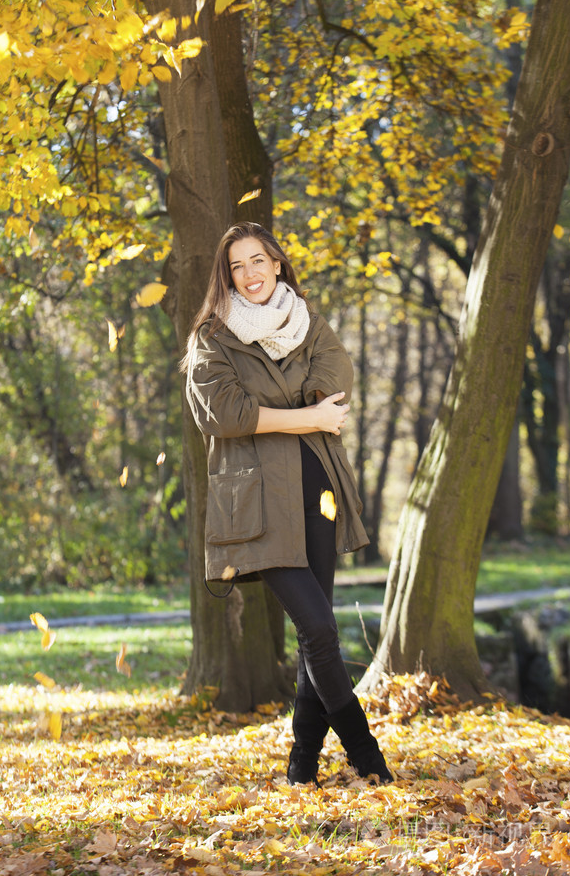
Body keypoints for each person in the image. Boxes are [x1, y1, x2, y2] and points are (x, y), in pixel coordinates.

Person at [183, 221, 392, 786]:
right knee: (321, 630)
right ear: (225, 278)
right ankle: (366, 755)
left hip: (317, 491)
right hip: (255, 504)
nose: (249, 274)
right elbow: (224, 415)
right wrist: (308, 416)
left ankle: (302, 764)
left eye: (258, 261)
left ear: (277, 264)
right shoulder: (210, 338)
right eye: (237, 267)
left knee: (314, 631)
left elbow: (336, 378)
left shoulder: (307, 321)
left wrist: (270, 410)